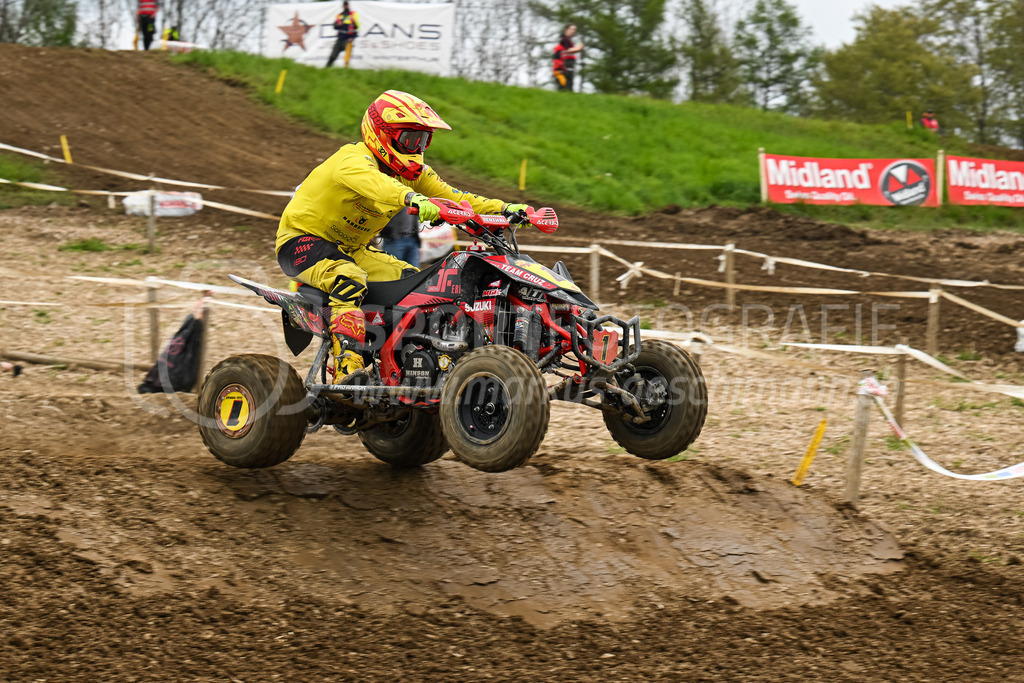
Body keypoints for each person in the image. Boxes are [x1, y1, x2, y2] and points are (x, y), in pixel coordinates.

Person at [275, 90, 529, 384]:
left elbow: (458, 198)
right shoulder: (352, 160)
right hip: (302, 242)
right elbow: (377, 185)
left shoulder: (413, 173)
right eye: (409, 139)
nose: (416, 147)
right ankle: (348, 364)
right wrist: (414, 199)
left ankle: (399, 370)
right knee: (348, 276)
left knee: (415, 283)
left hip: (352, 248)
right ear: (382, 134)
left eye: (422, 140)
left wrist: (507, 209)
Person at [326, 1, 360, 69]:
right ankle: (326, 69)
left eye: (346, 5)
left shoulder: (354, 14)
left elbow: (357, 28)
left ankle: (346, 71)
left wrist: (353, 37)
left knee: (347, 58)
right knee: (333, 55)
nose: (345, 6)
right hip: (340, 38)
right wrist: (337, 25)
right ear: (342, 6)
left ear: (349, 6)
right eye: (344, 5)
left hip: (348, 39)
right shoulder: (339, 15)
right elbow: (334, 26)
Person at [552, 23, 583, 92]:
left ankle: (567, 95)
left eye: (574, 30)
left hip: (567, 62)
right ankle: (565, 94)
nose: (573, 31)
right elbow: (567, 50)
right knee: (566, 81)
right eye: (572, 29)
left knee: (568, 81)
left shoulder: (567, 39)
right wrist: (578, 48)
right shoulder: (565, 39)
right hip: (565, 62)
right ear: (566, 30)